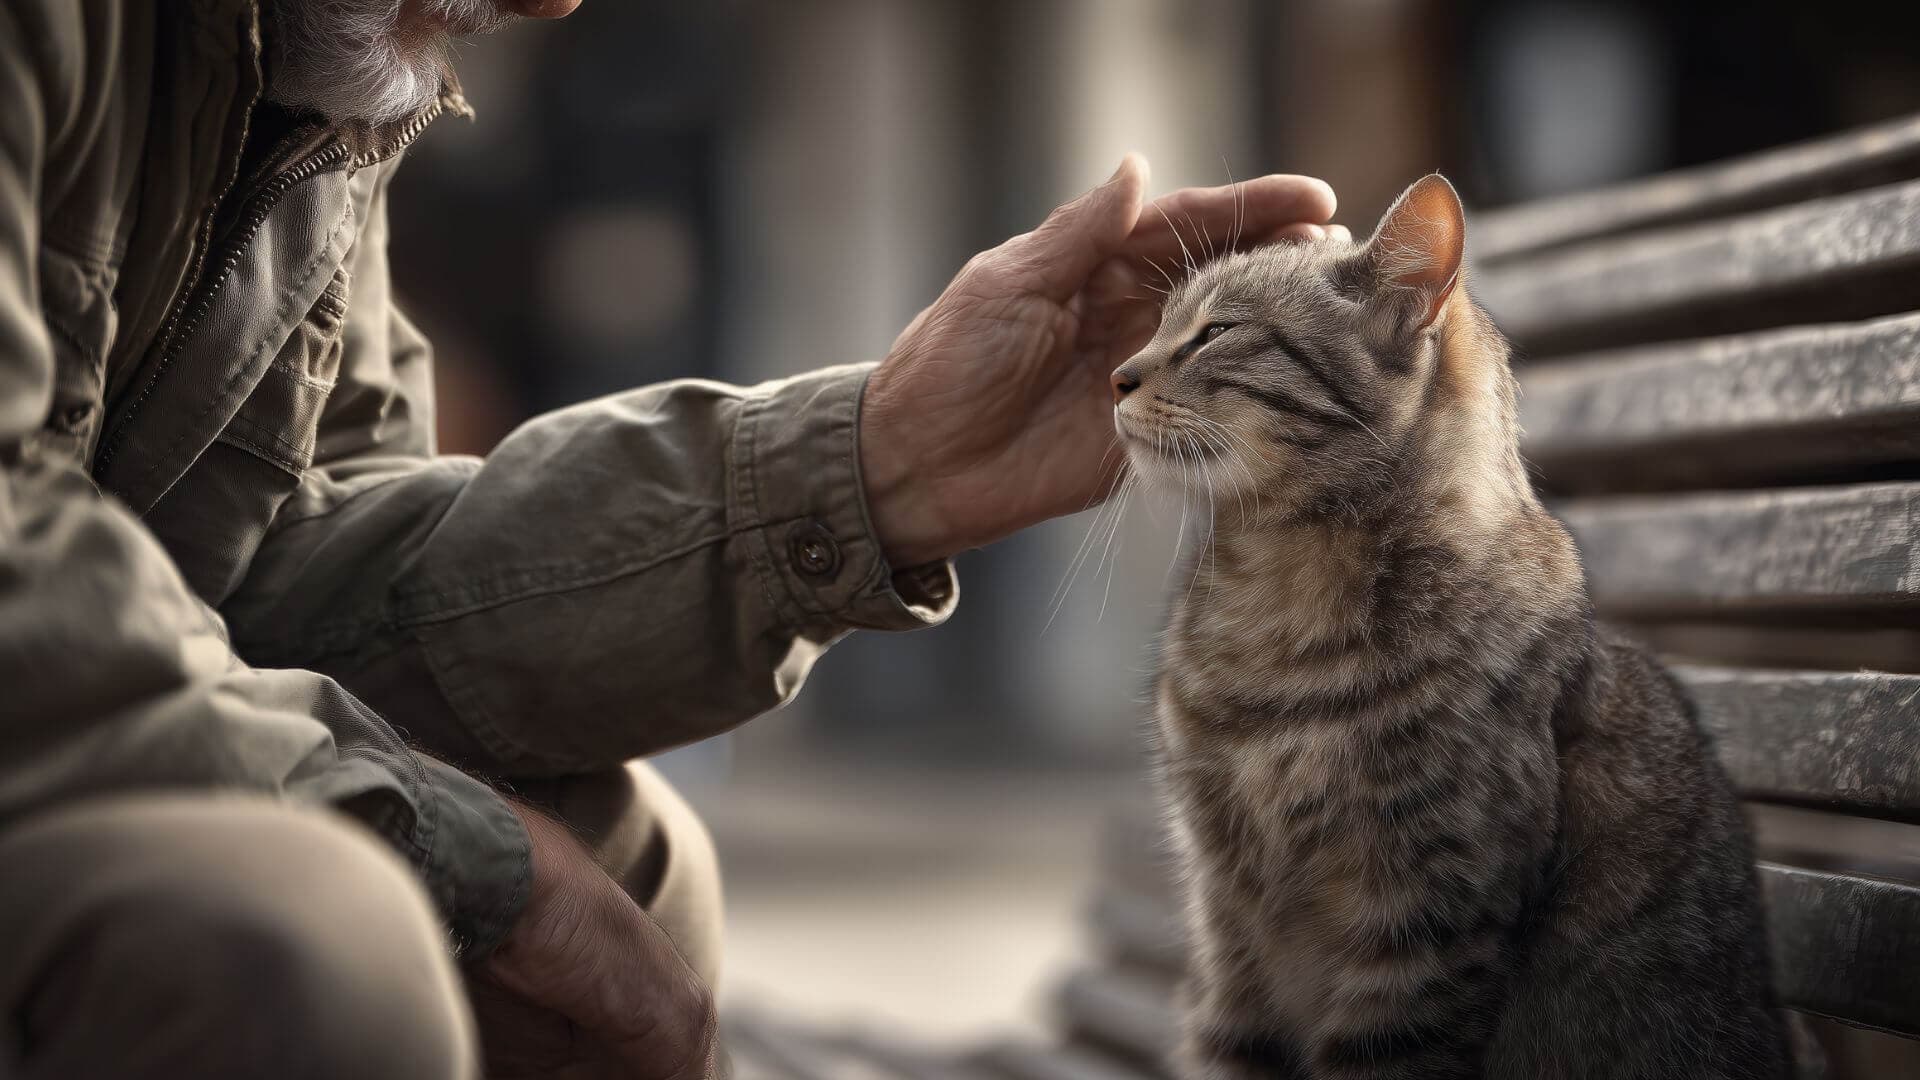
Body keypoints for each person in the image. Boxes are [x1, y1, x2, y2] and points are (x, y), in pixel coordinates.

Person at [0, 0, 1339, 1076]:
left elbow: (294, 568)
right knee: (310, 953)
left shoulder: (307, 60)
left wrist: (874, 470)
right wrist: (454, 853)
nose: (557, 6)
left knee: (633, 871)